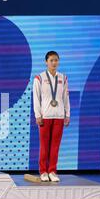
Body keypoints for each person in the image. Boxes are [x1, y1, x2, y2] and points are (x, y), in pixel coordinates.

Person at [33, 51, 70, 182]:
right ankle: (43, 171)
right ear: (46, 62)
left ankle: (52, 171)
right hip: (45, 116)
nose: (54, 63)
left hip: (59, 116)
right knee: (44, 145)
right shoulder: (40, 78)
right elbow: (36, 98)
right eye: (51, 60)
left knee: (55, 145)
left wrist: (67, 114)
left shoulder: (63, 78)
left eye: (56, 60)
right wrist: (38, 115)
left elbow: (65, 97)